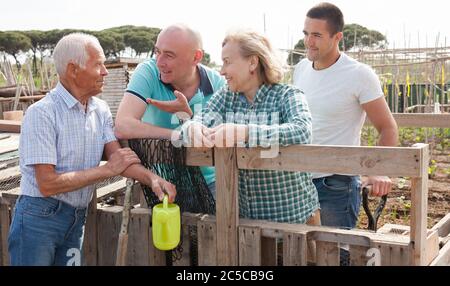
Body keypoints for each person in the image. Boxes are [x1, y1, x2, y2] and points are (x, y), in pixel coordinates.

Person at [7, 33, 175, 266]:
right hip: (39, 219)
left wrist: (153, 179)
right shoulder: (41, 113)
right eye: (98, 65)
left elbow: (118, 157)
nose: (105, 71)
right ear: (73, 70)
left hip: (76, 217)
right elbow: (47, 183)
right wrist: (107, 171)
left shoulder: (100, 109)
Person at [181, 29, 320, 225]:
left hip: (293, 220)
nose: (221, 71)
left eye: (227, 62)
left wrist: (243, 131)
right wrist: (193, 129)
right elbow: (196, 122)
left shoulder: (287, 95)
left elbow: (302, 131)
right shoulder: (225, 96)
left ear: (253, 63)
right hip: (246, 224)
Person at [293, 2, 398, 230]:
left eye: (317, 35)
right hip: (299, 179)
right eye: (306, 33)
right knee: (301, 253)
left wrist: (378, 170)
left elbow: (387, 127)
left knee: (335, 255)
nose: (309, 41)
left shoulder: (359, 74)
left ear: (337, 37)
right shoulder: (300, 69)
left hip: (336, 183)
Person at [114, 24, 225, 197]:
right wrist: (180, 135)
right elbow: (123, 126)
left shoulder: (217, 83)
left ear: (196, 57)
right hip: (162, 182)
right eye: (157, 52)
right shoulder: (148, 72)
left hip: (211, 183)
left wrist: (186, 118)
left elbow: (215, 136)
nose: (159, 62)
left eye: (169, 55)